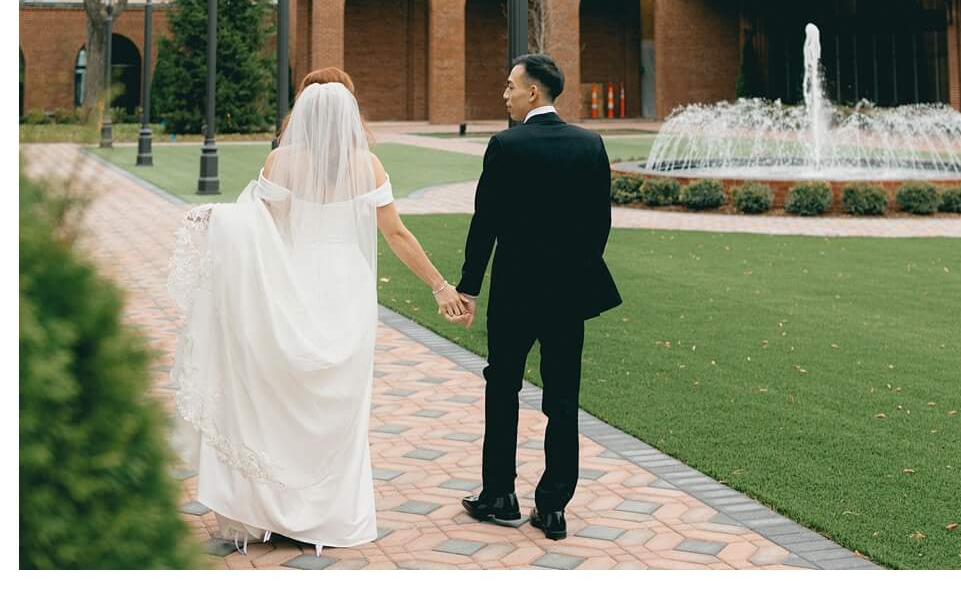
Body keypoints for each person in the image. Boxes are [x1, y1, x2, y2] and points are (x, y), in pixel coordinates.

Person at [169, 69, 471, 555]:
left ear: (302, 113)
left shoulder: (280, 161)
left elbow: (257, 226)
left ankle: (273, 508)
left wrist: (216, 219)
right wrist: (439, 286)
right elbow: (396, 234)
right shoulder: (367, 165)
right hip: (346, 288)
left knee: (279, 397)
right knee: (341, 406)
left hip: (291, 283)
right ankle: (329, 514)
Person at [454, 53, 622, 542]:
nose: (504, 93)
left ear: (533, 92)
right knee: (563, 397)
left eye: (510, 86)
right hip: (569, 295)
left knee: (502, 386)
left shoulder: (505, 145)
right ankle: (552, 507)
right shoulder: (590, 145)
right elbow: (600, 224)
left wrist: (469, 286)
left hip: (514, 292)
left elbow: (484, 222)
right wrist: (577, 269)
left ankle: (499, 496)